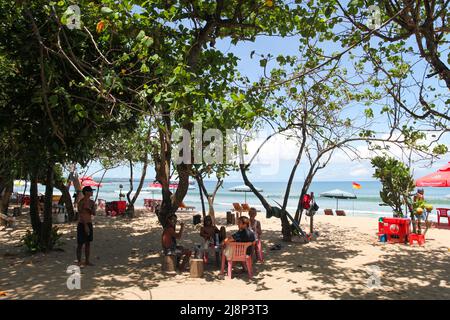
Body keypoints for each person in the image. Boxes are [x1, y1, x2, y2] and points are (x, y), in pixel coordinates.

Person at [76, 186, 96, 267]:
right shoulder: (81, 202)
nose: (92, 192)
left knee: (88, 243)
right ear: (86, 192)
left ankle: (87, 261)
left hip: (89, 223)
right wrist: (85, 226)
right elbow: (80, 214)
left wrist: (89, 210)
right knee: (80, 243)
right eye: (90, 191)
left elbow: (94, 213)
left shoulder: (92, 202)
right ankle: (79, 261)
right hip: (82, 224)